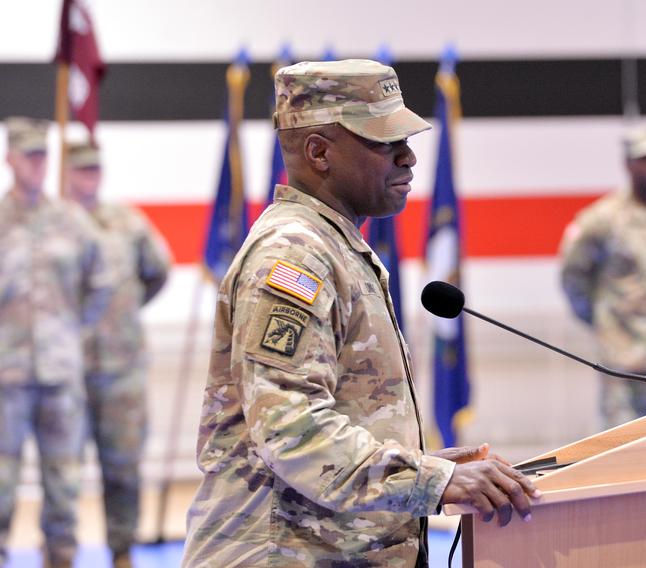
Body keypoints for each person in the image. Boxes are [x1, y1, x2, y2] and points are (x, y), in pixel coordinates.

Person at [182, 59, 538, 568]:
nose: (409, 157)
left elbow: (343, 410)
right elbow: (292, 429)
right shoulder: (294, 256)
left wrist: (421, 465)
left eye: (405, 140)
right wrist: (433, 482)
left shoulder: (332, 245)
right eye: (385, 142)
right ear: (319, 152)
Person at [0, 118, 112, 568]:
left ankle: (61, 558)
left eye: (43, 156)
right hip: (6, 375)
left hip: (61, 375)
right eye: (29, 156)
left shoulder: (71, 221)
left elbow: (101, 283)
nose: (38, 165)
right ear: (10, 159)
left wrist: (73, 333)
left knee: (64, 479)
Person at [65, 141, 172, 568]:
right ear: (66, 174)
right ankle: (62, 552)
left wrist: (122, 314)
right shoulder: (54, 225)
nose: (89, 178)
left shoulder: (126, 222)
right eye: (80, 171)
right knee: (63, 473)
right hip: (65, 371)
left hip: (121, 367)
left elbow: (158, 271)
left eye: (94, 170)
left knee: (123, 468)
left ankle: (122, 550)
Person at [559, 127, 646, 427]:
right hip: (624, 360)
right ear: (628, 164)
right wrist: (601, 321)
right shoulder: (602, 219)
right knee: (623, 448)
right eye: (644, 160)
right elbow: (573, 276)